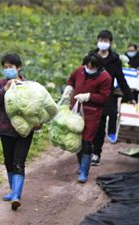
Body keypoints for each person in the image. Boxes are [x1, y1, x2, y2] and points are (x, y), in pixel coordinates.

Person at [0, 53, 40, 211]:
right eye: (5, 67)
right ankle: (13, 191)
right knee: (8, 161)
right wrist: (5, 89)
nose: (8, 70)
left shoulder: (28, 85)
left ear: (19, 68)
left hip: (24, 131)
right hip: (6, 130)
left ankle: (17, 195)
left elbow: (37, 106)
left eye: (11, 67)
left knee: (19, 162)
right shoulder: (0, 84)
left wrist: (39, 122)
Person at [84, 30, 135, 166]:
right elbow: (83, 74)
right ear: (97, 41)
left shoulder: (114, 59)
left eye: (106, 41)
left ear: (110, 43)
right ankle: (86, 151)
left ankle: (96, 153)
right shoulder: (91, 56)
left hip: (106, 97)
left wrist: (130, 97)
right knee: (89, 126)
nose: (103, 43)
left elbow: (121, 78)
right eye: (101, 40)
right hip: (90, 95)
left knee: (100, 126)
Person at [62, 53, 111, 183]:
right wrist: (69, 88)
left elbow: (104, 97)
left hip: (92, 112)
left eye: (92, 67)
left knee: (86, 140)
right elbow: (71, 80)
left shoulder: (105, 77)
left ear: (99, 67)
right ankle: (80, 164)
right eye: (88, 66)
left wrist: (89, 96)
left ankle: (84, 171)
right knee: (77, 137)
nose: (89, 68)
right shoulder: (80, 71)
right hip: (76, 109)